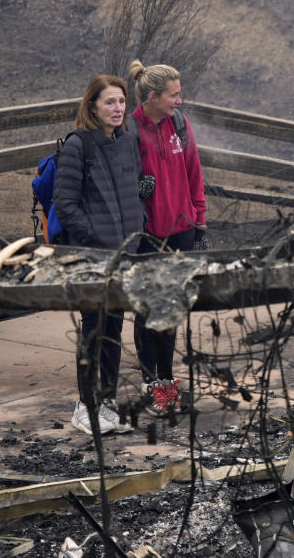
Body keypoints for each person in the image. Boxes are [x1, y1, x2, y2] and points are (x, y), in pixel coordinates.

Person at [54, 74, 145, 435]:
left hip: (124, 255)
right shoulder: (79, 145)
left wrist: (138, 228)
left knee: (112, 329)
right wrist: (92, 236)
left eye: (121, 101)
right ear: (92, 105)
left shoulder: (126, 142)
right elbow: (65, 202)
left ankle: (106, 403)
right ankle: (85, 406)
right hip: (93, 257)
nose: (118, 108)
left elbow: (133, 193)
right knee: (93, 330)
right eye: (110, 102)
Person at [128, 59, 208, 417]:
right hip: (146, 235)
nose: (180, 100)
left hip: (182, 231)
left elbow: (194, 172)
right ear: (152, 96)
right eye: (174, 95)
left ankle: (168, 379)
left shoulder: (179, 124)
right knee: (147, 309)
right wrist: (135, 189)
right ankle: (151, 382)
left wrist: (200, 223)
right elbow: (114, 183)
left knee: (171, 308)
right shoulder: (129, 130)